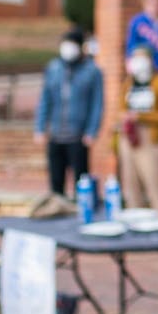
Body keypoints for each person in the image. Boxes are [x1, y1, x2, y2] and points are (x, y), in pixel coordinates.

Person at [33, 27, 104, 197]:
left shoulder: (92, 71)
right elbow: (45, 99)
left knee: (82, 183)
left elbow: (97, 103)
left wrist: (91, 131)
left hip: (78, 136)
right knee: (56, 183)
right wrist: (40, 128)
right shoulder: (54, 68)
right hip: (56, 134)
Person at [117, 46, 158, 218]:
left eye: (142, 58)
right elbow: (121, 107)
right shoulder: (129, 83)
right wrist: (125, 116)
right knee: (131, 183)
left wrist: (142, 117)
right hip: (129, 136)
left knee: (153, 182)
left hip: (150, 138)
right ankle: (134, 219)